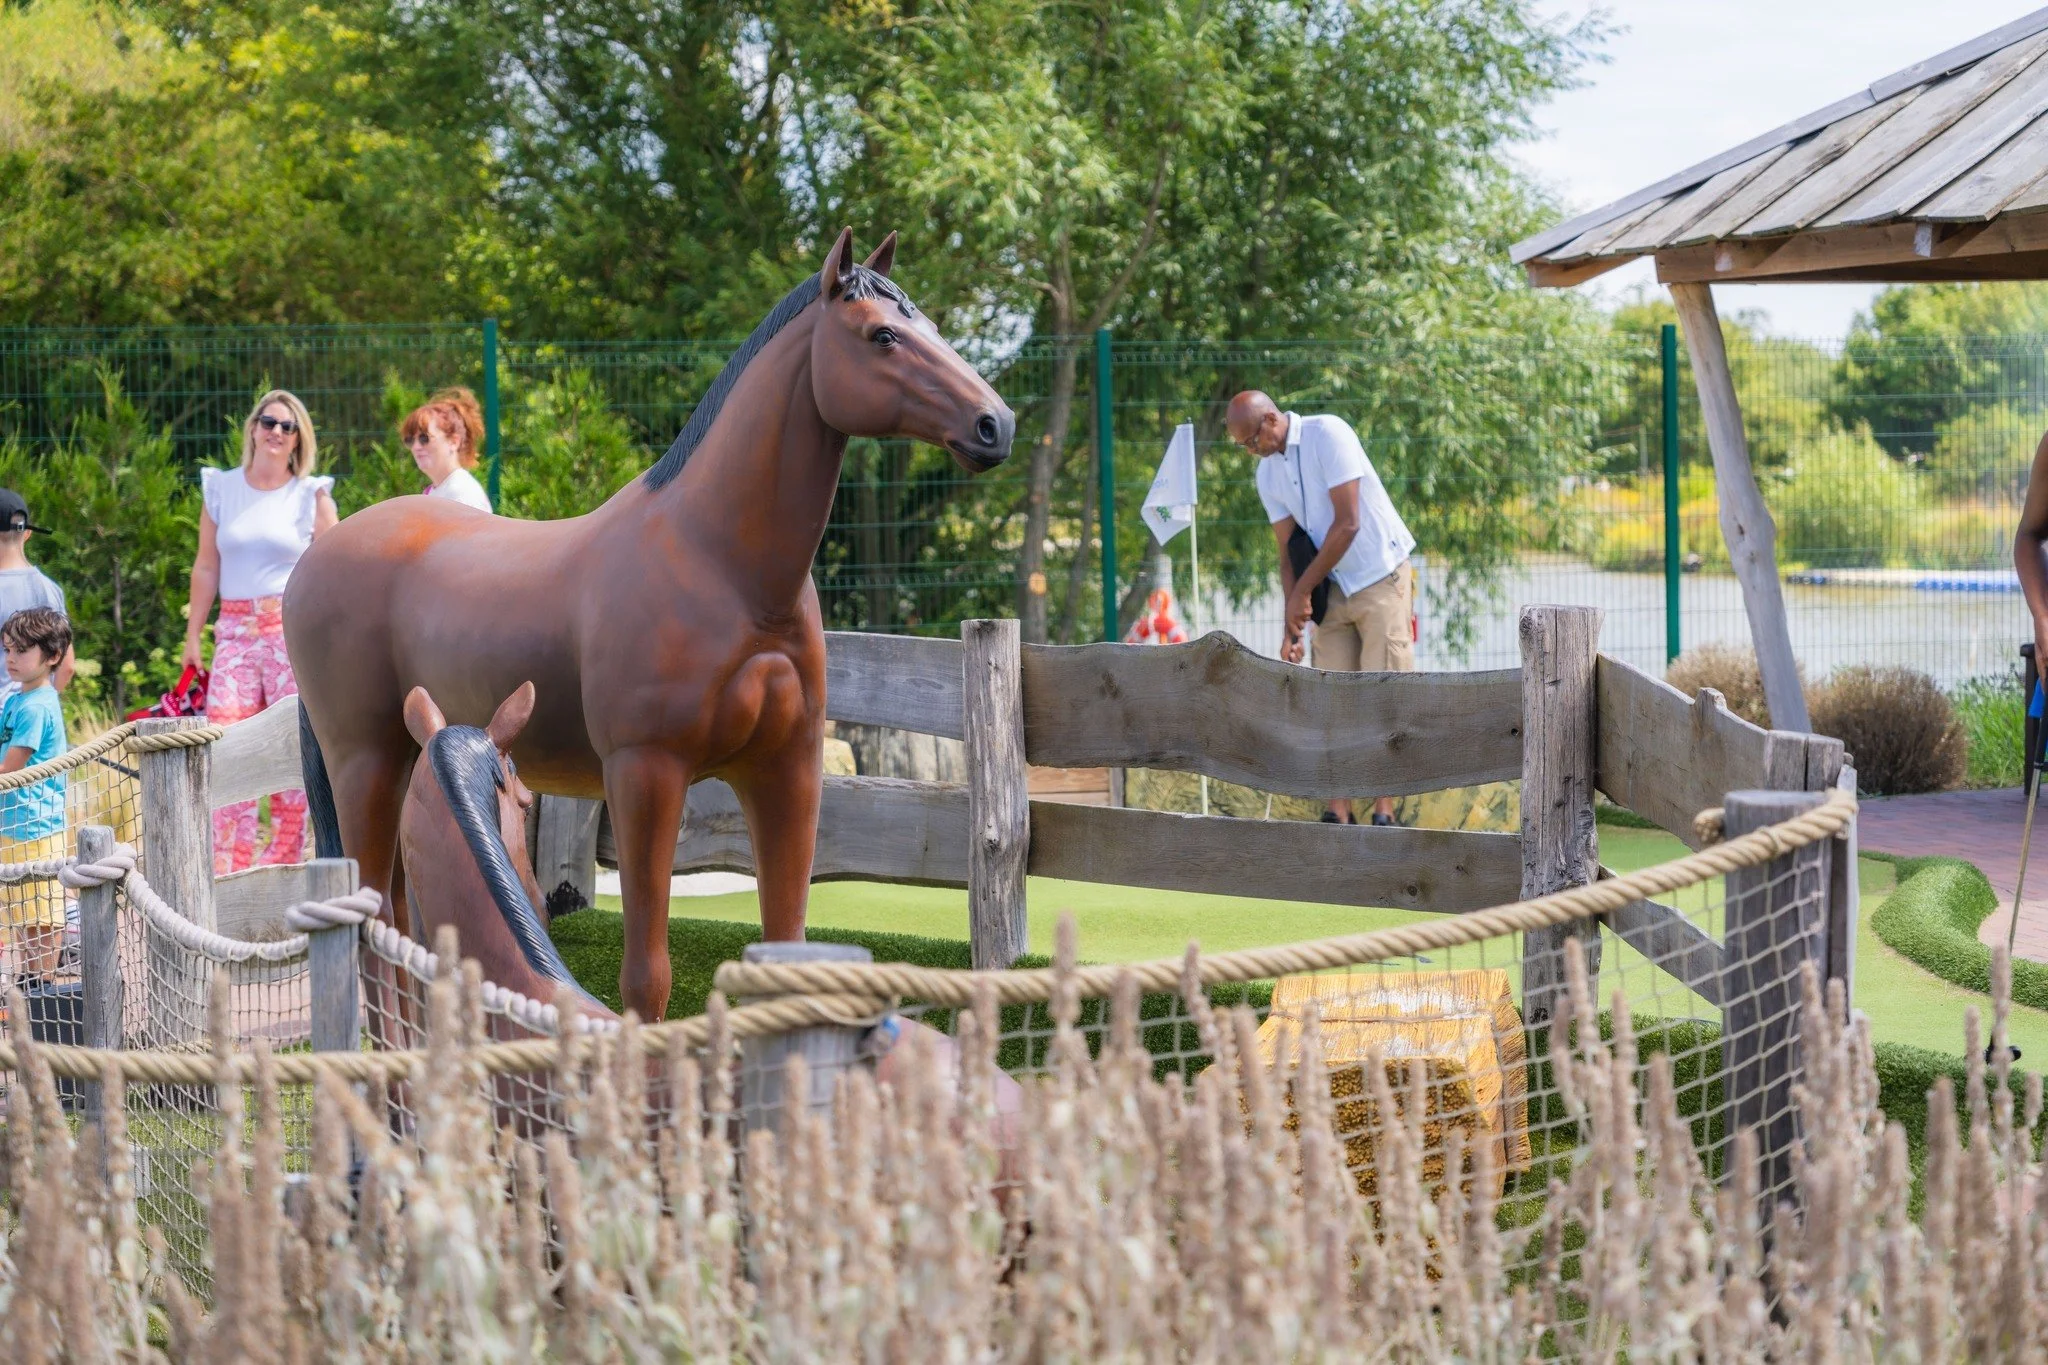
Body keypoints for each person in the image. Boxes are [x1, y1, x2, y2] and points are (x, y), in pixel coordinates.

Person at [1227, 389, 1416, 827]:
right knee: (1333, 697)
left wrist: (1302, 593)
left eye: (1251, 441)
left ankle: (1384, 810)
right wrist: (1290, 625)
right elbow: (1288, 550)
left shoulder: (1329, 434)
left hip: (1380, 577)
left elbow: (1348, 523)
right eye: (1242, 447)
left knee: (1381, 692)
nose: (1250, 451)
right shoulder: (1266, 476)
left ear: (1272, 420)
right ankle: (1339, 808)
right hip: (1331, 589)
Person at [183, 389, 338, 873]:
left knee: (292, 749)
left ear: (298, 441)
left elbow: (337, 569)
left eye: (287, 427)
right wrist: (193, 635)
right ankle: (227, 870)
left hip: (290, 633)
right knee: (226, 747)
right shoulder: (221, 488)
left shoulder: (310, 495)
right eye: (268, 422)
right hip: (231, 632)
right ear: (252, 428)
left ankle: (283, 870)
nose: (276, 432)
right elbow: (207, 565)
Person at [0, 608, 71, 982]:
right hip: (14, 825)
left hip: (37, 828)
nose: (11, 659)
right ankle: (28, 984)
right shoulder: (16, 700)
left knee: (42, 916)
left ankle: (40, 985)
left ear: (52, 656)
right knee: (21, 913)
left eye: (22, 651)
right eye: (8, 649)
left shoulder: (37, 706)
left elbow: (11, 767)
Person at [0, 490, 73, 696]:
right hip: (29, 718)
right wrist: (39, 705)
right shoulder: (50, 589)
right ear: (27, 534)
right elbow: (66, 667)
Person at [401, 387, 494, 511]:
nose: (416, 447)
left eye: (424, 438)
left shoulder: (462, 493)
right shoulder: (436, 492)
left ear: (453, 442)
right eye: (410, 440)